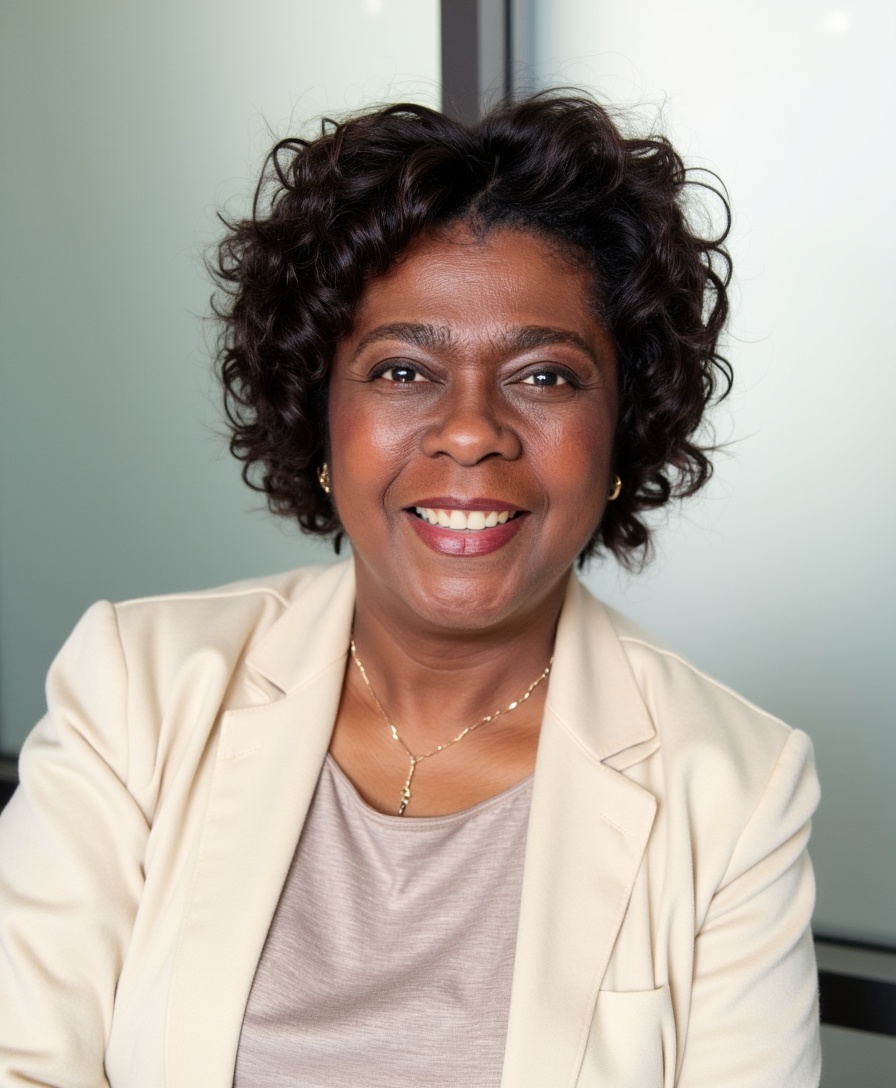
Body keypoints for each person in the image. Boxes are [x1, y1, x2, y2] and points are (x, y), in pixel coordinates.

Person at [0, 94, 820, 1087]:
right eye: (400, 370)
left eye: (545, 376)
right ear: (317, 415)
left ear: (624, 428)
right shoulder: (137, 688)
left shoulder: (735, 785)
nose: (470, 430)